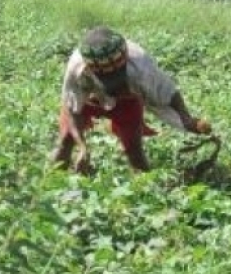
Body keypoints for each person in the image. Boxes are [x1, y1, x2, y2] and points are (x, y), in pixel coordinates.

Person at [51, 26, 213, 175]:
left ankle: (145, 191)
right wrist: (82, 148)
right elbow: (72, 110)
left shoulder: (141, 66)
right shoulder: (77, 68)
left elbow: (170, 93)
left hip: (127, 101)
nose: (113, 88)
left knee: (134, 152)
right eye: (107, 80)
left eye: (117, 80)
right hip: (89, 99)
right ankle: (53, 183)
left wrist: (186, 118)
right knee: (65, 141)